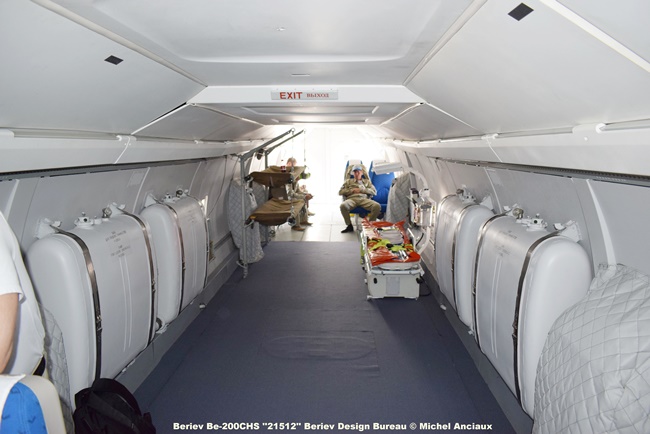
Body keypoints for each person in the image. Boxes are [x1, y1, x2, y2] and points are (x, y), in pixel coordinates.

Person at [339, 165, 381, 233]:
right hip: (352, 199)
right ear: (353, 173)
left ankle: (370, 225)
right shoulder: (348, 182)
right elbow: (340, 192)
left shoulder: (367, 182)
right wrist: (352, 190)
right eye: (355, 172)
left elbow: (374, 192)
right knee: (343, 206)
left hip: (364, 199)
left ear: (362, 172)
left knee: (377, 206)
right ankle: (349, 226)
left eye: (358, 172)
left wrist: (362, 190)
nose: (357, 173)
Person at [286, 157, 314, 231]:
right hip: (287, 198)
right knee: (297, 202)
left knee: (303, 200)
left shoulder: (295, 181)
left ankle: (303, 220)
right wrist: (304, 196)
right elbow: (290, 194)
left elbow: (298, 191)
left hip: (292, 196)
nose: (299, 177)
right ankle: (295, 225)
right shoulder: (288, 180)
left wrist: (305, 194)